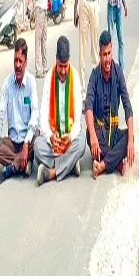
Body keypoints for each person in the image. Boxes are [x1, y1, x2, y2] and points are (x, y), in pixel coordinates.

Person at [35, 36, 86, 185]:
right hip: (54, 141)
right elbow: (43, 116)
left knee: (81, 142)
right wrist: (51, 137)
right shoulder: (49, 78)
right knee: (37, 146)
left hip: (69, 139)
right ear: (56, 60)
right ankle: (69, 165)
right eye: (60, 66)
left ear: (69, 61)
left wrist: (70, 137)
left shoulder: (75, 76)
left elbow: (77, 120)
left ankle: (51, 172)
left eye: (65, 66)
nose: (63, 71)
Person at [85, 30, 134, 178]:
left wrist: (130, 142)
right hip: (100, 134)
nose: (107, 59)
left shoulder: (118, 72)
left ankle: (102, 164)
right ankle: (117, 163)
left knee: (130, 136)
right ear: (99, 55)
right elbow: (88, 107)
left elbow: (127, 106)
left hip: (114, 134)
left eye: (109, 54)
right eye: (104, 55)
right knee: (89, 132)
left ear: (112, 51)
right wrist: (93, 137)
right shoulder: (94, 75)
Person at [0, 38, 39, 184]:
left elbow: (35, 114)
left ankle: (11, 168)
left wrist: (26, 144)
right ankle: (23, 163)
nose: (17, 65)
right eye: (15, 61)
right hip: (12, 143)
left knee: (39, 139)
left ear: (26, 63)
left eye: (20, 61)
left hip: (27, 141)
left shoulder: (31, 82)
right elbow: (0, 116)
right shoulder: (7, 83)